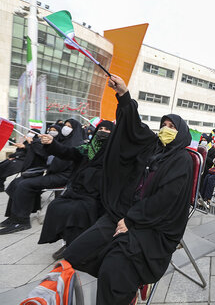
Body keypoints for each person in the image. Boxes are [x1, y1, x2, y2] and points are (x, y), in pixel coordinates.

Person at [62, 74, 193, 305]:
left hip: (153, 227)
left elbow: (165, 200)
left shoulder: (181, 159)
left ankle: (128, 289)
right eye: (163, 125)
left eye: (172, 127)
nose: (166, 129)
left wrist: (131, 221)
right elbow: (134, 127)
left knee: (113, 272)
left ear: (181, 132)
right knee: (75, 253)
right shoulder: (154, 146)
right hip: (125, 213)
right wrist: (124, 95)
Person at [38, 120, 114, 259]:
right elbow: (67, 152)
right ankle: (69, 244)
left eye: (107, 129)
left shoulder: (115, 153)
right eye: (101, 128)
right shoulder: (86, 149)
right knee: (56, 206)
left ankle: (79, 247)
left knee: (79, 211)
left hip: (98, 196)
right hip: (78, 190)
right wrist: (52, 143)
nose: (103, 131)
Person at [0, 120, 84, 234]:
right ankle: (13, 217)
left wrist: (47, 167)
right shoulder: (63, 140)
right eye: (65, 125)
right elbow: (48, 155)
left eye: (69, 126)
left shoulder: (77, 143)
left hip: (63, 176)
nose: (65, 128)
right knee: (17, 182)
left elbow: (62, 161)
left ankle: (22, 221)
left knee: (25, 184)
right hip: (52, 172)